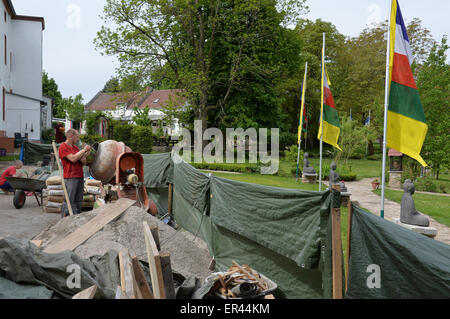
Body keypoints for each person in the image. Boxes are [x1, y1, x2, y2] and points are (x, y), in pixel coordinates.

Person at [59, 129, 91, 217]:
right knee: (69, 200)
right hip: (70, 177)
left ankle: (76, 220)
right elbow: (73, 159)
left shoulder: (76, 148)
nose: (78, 139)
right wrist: (83, 150)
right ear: (70, 136)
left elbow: (83, 163)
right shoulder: (63, 147)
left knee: (78, 200)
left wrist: (84, 156)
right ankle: (65, 220)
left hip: (79, 176)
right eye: (77, 137)